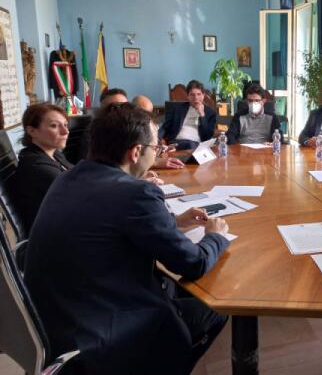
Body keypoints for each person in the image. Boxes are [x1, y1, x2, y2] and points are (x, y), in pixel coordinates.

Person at [25, 103, 230, 375]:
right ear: (135, 152)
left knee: (172, 289)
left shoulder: (69, 177)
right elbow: (194, 264)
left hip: (56, 321)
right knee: (217, 306)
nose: (156, 154)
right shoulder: (136, 194)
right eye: (155, 148)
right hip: (103, 333)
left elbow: (108, 225)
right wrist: (215, 236)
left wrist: (174, 223)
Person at [12, 103, 72, 237]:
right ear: (32, 131)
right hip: (53, 239)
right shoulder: (37, 168)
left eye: (65, 125)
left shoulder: (54, 154)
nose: (65, 131)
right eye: (54, 126)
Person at [159, 80, 216, 150]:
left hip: (196, 144)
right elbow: (165, 127)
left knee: (191, 145)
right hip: (177, 141)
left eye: (199, 94)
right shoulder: (177, 109)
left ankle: (172, 148)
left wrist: (202, 115)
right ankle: (172, 147)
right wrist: (157, 139)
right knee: (189, 145)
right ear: (188, 96)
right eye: (192, 95)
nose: (196, 97)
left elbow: (207, 136)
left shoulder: (211, 113)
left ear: (203, 95)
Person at [133, 94, 185, 170]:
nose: (149, 117)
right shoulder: (130, 129)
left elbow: (148, 146)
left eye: (150, 113)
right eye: (146, 113)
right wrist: (156, 163)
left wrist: (160, 148)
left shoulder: (148, 125)